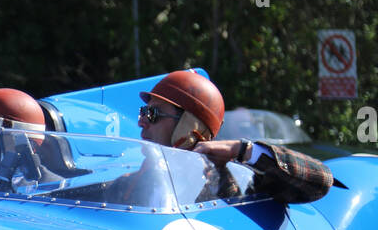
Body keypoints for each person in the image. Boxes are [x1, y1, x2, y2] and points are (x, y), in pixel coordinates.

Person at [137, 69, 333, 203]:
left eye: (153, 114)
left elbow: (320, 180)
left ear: (189, 125)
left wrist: (243, 151)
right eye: (143, 112)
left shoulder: (237, 183)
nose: (141, 122)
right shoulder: (136, 184)